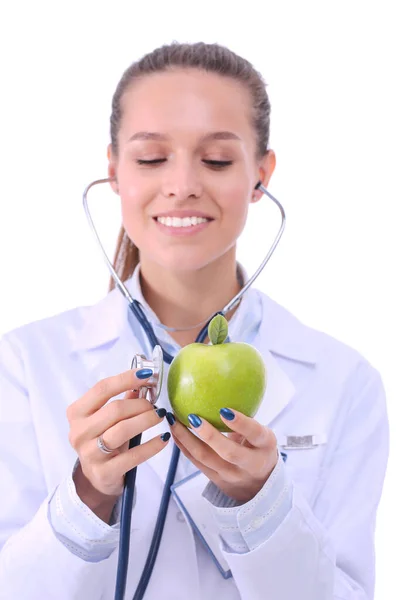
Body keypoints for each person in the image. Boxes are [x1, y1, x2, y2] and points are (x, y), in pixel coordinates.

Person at [0, 41, 389, 600]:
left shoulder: (344, 380)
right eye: (152, 158)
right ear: (113, 170)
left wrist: (262, 506)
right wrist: (87, 495)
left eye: (217, 160)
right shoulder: (23, 364)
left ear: (262, 175)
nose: (182, 184)